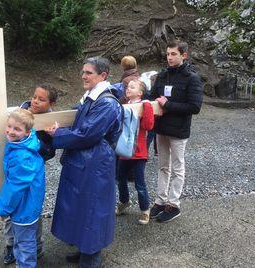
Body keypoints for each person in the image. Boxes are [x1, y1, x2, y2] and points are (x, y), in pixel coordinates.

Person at [45, 56, 122, 268]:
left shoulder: (106, 103)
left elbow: (87, 134)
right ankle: (83, 250)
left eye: (88, 72)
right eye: (83, 72)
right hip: (86, 159)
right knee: (81, 208)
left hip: (96, 163)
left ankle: (91, 259)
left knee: (93, 211)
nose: (83, 76)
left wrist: (58, 134)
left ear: (103, 75)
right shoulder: (91, 97)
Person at [2, 83, 58, 264]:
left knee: (29, 216)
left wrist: (50, 137)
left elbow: (49, 152)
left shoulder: (50, 121)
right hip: (16, 168)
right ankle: (11, 247)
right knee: (13, 215)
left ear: (51, 103)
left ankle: (35, 247)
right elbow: (6, 141)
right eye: (35, 96)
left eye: (41, 99)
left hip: (29, 172)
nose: (35, 101)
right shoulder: (21, 113)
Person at [0, 109, 45, 268]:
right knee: (24, 240)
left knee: (24, 244)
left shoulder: (23, 156)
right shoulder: (20, 143)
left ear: (27, 131)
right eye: (9, 126)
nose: (10, 131)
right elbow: (4, 160)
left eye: (17, 129)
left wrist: (2, 209)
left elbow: (15, 187)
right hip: (26, 204)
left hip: (24, 206)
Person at [149, 40, 203, 223]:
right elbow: (152, 97)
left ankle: (174, 204)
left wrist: (168, 105)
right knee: (163, 166)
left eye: (173, 54)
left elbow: (195, 107)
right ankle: (160, 201)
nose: (170, 57)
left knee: (178, 168)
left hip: (179, 130)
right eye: (168, 54)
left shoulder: (192, 77)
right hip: (161, 128)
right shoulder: (162, 75)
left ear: (183, 55)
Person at [115, 79, 154, 225]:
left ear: (140, 92)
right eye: (127, 87)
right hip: (124, 151)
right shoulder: (124, 105)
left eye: (132, 87)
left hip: (139, 152)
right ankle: (124, 202)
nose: (128, 89)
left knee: (140, 183)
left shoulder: (144, 105)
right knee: (120, 179)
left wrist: (148, 106)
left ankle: (145, 210)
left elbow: (148, 126)